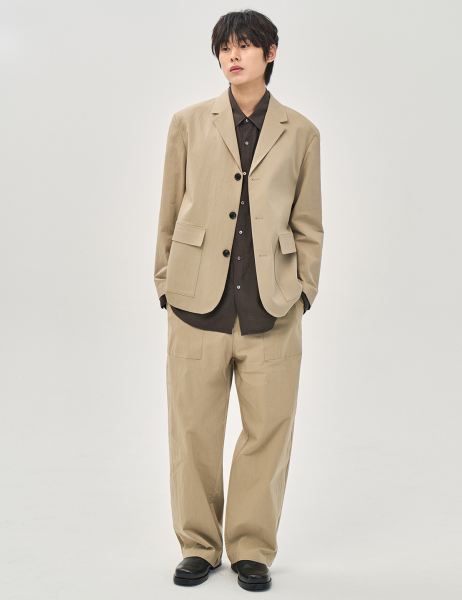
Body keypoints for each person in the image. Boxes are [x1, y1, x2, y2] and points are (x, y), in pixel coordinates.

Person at [154, 9, 324, 591]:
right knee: (192, 432)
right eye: (226, 47)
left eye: (246, 45)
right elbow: (169, 208)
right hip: (195, 304)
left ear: (270, 53)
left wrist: (304, 292)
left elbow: (309, 223)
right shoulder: (187, 123)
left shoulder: (301, 132)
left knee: (268, 431)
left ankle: (251, 548)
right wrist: (164, 283)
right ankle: (198, 546)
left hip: (271, 308)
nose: (234, 55)